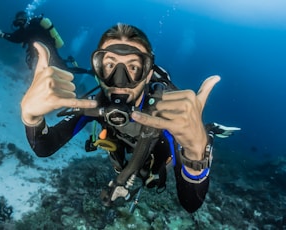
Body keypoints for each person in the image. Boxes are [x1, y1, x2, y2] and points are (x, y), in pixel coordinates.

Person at [20, 23, 240, 213]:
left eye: (134, 67)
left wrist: (195, 152)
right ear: (97, 70)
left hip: (159, 157)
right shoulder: (95, 103)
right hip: (126, 161)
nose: (120, 80)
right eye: (109, 65)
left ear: (147, 74)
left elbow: (191, 203)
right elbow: (44, 147)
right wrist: (31, 117)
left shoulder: (166, 114)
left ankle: (207, 132)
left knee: (173, 157)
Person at [0, 11, 91, 75]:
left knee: (64, 70)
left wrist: (2, 35)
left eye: (21, 19)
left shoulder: (32, 26)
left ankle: (88, 71)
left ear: (24, 18)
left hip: (49, 50)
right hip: (46, 50)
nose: (19, 23)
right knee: (55, 66)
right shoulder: (29, 27)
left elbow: (18, 38)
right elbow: (19, 36)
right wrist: (3, 34)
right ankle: (69, 60)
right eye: (18, 20)